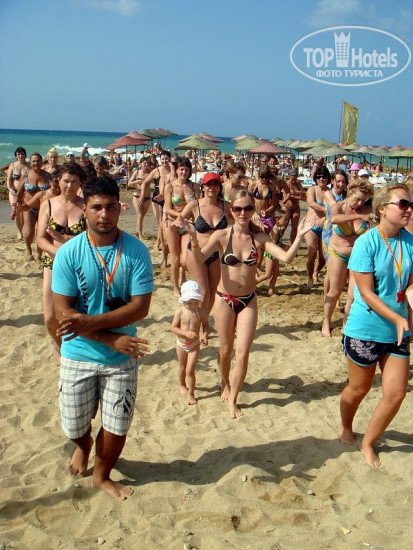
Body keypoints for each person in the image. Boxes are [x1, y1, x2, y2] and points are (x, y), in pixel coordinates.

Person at [52, 175, 154, 500]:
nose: (104, 214)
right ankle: (83, 446)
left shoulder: (136, 251)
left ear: (120, 208)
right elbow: (64, 313)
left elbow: (140, 308)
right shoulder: (69, 253)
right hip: (78, 352)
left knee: (117, 425)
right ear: (84, 209)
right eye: (96, 207)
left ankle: (101, 475)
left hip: (122, 357)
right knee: (73, 427)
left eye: (111, 207)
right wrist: (110, 338)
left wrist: (90, 324)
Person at [177, 189, 315, 418]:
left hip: (248, 300)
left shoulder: (259, 237)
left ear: (254, 210)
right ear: (231, 210)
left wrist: (299, 235)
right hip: (224, 300)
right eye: (238, 208)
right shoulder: (222, 235)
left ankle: (233, 399)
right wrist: (192, 237)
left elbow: (286, 258)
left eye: (248, 208)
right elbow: (199, 258)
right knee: (225, 351)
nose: (243, 212)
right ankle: (225, 382)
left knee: (242, 353)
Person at [340, 183, 413, 468]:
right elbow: (366, 292)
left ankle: (368, 442)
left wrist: (408, 314)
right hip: (366, 329)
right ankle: (346, 425)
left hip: (397, 331)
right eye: (403, 204)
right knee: (359, 389)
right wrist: (397, 318)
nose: (409, 209)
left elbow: (409, 284)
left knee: (396, 394)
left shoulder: (410, 242)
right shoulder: (366, 242)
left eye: (410, 204)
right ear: (382, 209)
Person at [36, 163, 88, 358]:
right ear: (58, 181)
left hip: (79, 264)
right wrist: (58, 251)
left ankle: (72, 347)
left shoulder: (85, 205)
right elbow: (40, 239)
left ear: (80, 183)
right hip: (53, 263)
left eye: (75, 181)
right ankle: (58, 344)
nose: (70, 185)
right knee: (50, 317)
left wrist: (63, 239)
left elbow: (92, 237)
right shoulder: (48, 204)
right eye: (66, 181)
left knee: (75, 312)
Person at [321, 178, 373, 337]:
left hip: (357, 256)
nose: (360, 203)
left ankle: (345, 324)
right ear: (350, 193)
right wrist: (358, 217)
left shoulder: (366, 209)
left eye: (363, 200)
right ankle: (326, 322)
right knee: (335, 291)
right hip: (338, 253)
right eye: (357, 199)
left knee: (353, 294)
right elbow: (334, 219)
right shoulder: (339, 207)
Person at [176, 171, 230, 314]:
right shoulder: (195, 205)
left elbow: (243, 214)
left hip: (216, 254)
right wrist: (181, 225)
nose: (212, 187)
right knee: (203, 292)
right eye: (208, 184)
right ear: (203, 187)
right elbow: (178, 221)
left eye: (215, 184)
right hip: (196, 251)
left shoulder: (226, 206)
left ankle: (203, 320)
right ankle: (198, 320)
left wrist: (256, 219)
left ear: (220, 187)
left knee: (213, 290)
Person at [163, 156, 199, 296]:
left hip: (187, 225)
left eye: (187, 170)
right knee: (176, 259)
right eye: (182, 169)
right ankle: (176, 287)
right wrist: (180, 217)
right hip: (172, 224)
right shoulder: (170, 187)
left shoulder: (194, 186)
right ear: (177, 170)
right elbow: (168, 208)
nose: (184, 172)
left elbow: (197, 206)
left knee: (185, 260)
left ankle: (183, 273)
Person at [171, 280, 209, 405]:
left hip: (194, 345)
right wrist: (185, 333)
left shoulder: (200, 312)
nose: (193, 306)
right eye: (189, 303)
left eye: (196, 302)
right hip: (181, 344)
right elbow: (173, 328)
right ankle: (182, 385)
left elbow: (206, 325)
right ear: (183, 301)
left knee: (190, 370)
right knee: (182, 367)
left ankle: (191, 394)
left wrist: (204, 335)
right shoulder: (180, 312)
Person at [16, 152, 50, 260]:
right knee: (29, 233)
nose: (36, 163)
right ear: (30, 163)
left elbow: (54, 191)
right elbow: (19, 192)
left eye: (38, 161)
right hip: (28, 208)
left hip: (43, 210)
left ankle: (39, 256)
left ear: (42, 162)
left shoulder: (48, 176)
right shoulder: (26, 175)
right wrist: (16, 206)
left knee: (42, 233)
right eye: (34, 161)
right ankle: (28, 248)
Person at [304, 166, 330, 287]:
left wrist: (324, 217)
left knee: (324, 256)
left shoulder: (330, 192)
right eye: (318, 177)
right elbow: (311, 203)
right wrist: (325, 209)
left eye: (324, 177)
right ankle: (310, 277)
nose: (321, 179)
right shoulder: (312, 190)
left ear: (328, 178)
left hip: (325, 226)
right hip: (311, 225)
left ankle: (316, 272)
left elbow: (335, 208)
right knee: (312, 252)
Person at [255, 208, 289, 296]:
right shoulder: (275, 230)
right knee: (267, 274)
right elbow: (272, 244)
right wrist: (282, 248)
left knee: (276, 273)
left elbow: (277, 242)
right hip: (270, 254)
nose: (286, 221)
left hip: (274, 254)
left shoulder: (279, 228)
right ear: (277, 219)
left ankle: (271, 290)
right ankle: (253, 283)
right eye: (284, 219)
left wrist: (284, 246)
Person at [6, 146, 28, 240]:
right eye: (19, 154)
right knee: (16, 210)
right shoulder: (13, 165)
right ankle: (19, 232)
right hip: (14, 192)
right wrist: (10, 189)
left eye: (22, 154)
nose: (21, 156)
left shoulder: (29, 166)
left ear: (25, 155)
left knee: (23, 212)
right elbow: (8, 180)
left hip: (25, 192)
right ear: (16, 156)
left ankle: (21, 229)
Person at [280, 168, 306, 246]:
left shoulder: (298, 184)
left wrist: (295, 194)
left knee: (294, 228)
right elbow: (288, 196)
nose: (294, 181)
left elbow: (303, 195)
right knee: (283, 226)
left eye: (295, 179)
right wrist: (297, 195)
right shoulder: (286, 184)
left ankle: (292, 245)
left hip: (296, 208)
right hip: (286, 207)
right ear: (289, 177)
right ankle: (278, 242)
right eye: (292, 180)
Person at [129, 157, 152, 239]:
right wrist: (137, 181)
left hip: (147, 197)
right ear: (141, 164)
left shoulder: (150, 173)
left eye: (147, 163)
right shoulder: (137, 172)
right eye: (145, 163)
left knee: (142, 216)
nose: (146, 164)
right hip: (137, 196)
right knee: (140, 215)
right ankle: (140, 235)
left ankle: (137, 232)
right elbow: (129, 183)